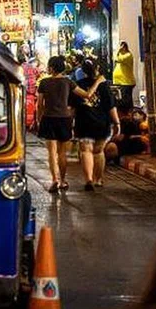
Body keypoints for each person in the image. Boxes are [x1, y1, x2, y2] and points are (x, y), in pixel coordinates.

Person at [37, 55, 95, 194]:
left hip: (48, 118)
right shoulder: (68, 82)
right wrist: (98, 82)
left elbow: (40, 104)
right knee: (62, 153)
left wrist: (40, 119)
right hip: (64, 119)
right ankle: (62, 180)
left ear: (51, 68)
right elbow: (86, 95)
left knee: (51, 152)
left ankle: (54, 179)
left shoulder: (44, 83)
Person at [73, 60, 120, 191]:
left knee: (85, 150)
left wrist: (70, 122)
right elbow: (111, 106)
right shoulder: (104, 86)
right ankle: (98, 179)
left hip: (84, 122)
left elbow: (73, 107)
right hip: (101, 123)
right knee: (98, 151)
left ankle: (88, 178)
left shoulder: (79, 85)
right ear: (97, 68)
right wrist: (117, 122)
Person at [114, 41, 136, 109]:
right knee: (122, 100)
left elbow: (117, 59)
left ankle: (129, 114)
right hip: (120, 82)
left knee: (126, 101)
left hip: (126, 82)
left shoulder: (128, 55)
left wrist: (118, 50)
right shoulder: (120, 54)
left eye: (121, 47)